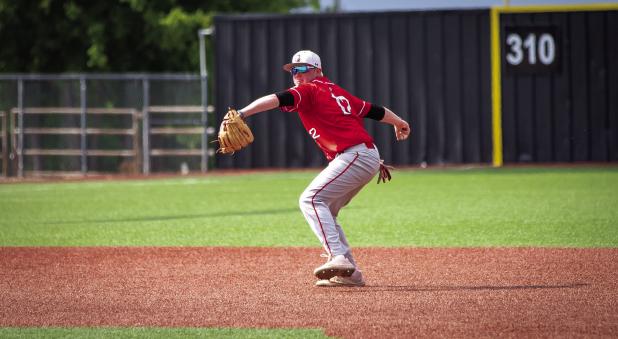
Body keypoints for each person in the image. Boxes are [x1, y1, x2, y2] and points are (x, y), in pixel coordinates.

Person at [229, 50, 410, 287]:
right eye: (293, 71)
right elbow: (374, 110)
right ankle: (351, 274)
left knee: (310, 200)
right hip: (362, 156)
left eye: (302, 69)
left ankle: (338, 258)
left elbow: (276, 99)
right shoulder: (336, 91)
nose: (297, 75)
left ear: (317, 71)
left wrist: (242, 113)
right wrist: (399, 122)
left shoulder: (310, 89)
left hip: (354, 154)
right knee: (326, 210)